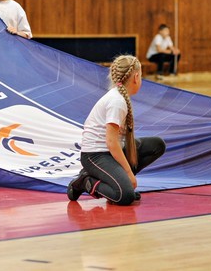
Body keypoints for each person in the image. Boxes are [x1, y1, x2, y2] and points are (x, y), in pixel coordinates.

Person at [66, 55, 166, 205]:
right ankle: (86, 181)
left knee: (157, 145)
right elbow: (111, 142)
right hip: (95, 155)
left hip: (110, 152)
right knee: (125, 196)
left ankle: (117, 181)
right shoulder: (117, 101)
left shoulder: (120, 96)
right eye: (141, 76)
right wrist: (128, 173)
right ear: (136, 77)